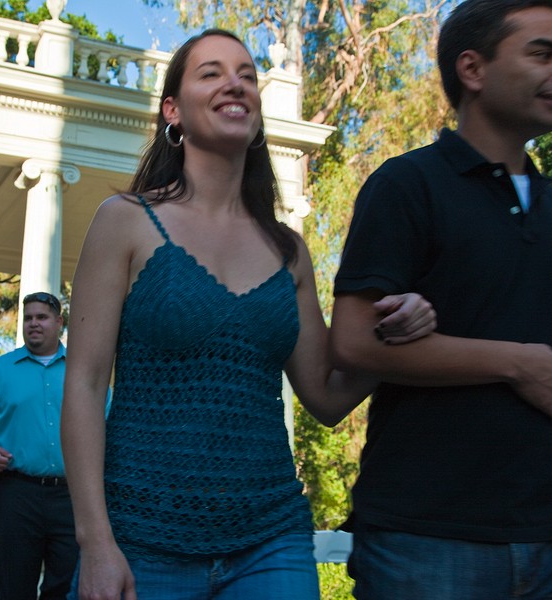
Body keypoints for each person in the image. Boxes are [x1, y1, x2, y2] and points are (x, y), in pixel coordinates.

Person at [59, 29, 437, 600]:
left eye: (246, 75)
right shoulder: (125, 220)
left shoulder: (289, 250)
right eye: (211, 73)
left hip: (271, 540)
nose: (235, 83)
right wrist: (95, 543)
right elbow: (85, 386)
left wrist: (392, 336)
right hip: (142, 541)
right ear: (172, 111)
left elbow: (326, 397)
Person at [328, 1, 552, 597]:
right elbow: (350, 342)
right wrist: (514, 362)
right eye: (542, 54)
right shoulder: (406, 185)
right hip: (425, 536)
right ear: (472, 69)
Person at [0, 292, 91, 600]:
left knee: (67, 586)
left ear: (59, 322)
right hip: (14, 493)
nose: (34, 323)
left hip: (71, 495)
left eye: (42, 317)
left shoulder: (83, 370)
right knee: (12, 587)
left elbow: (104, 422)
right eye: (28, 318)